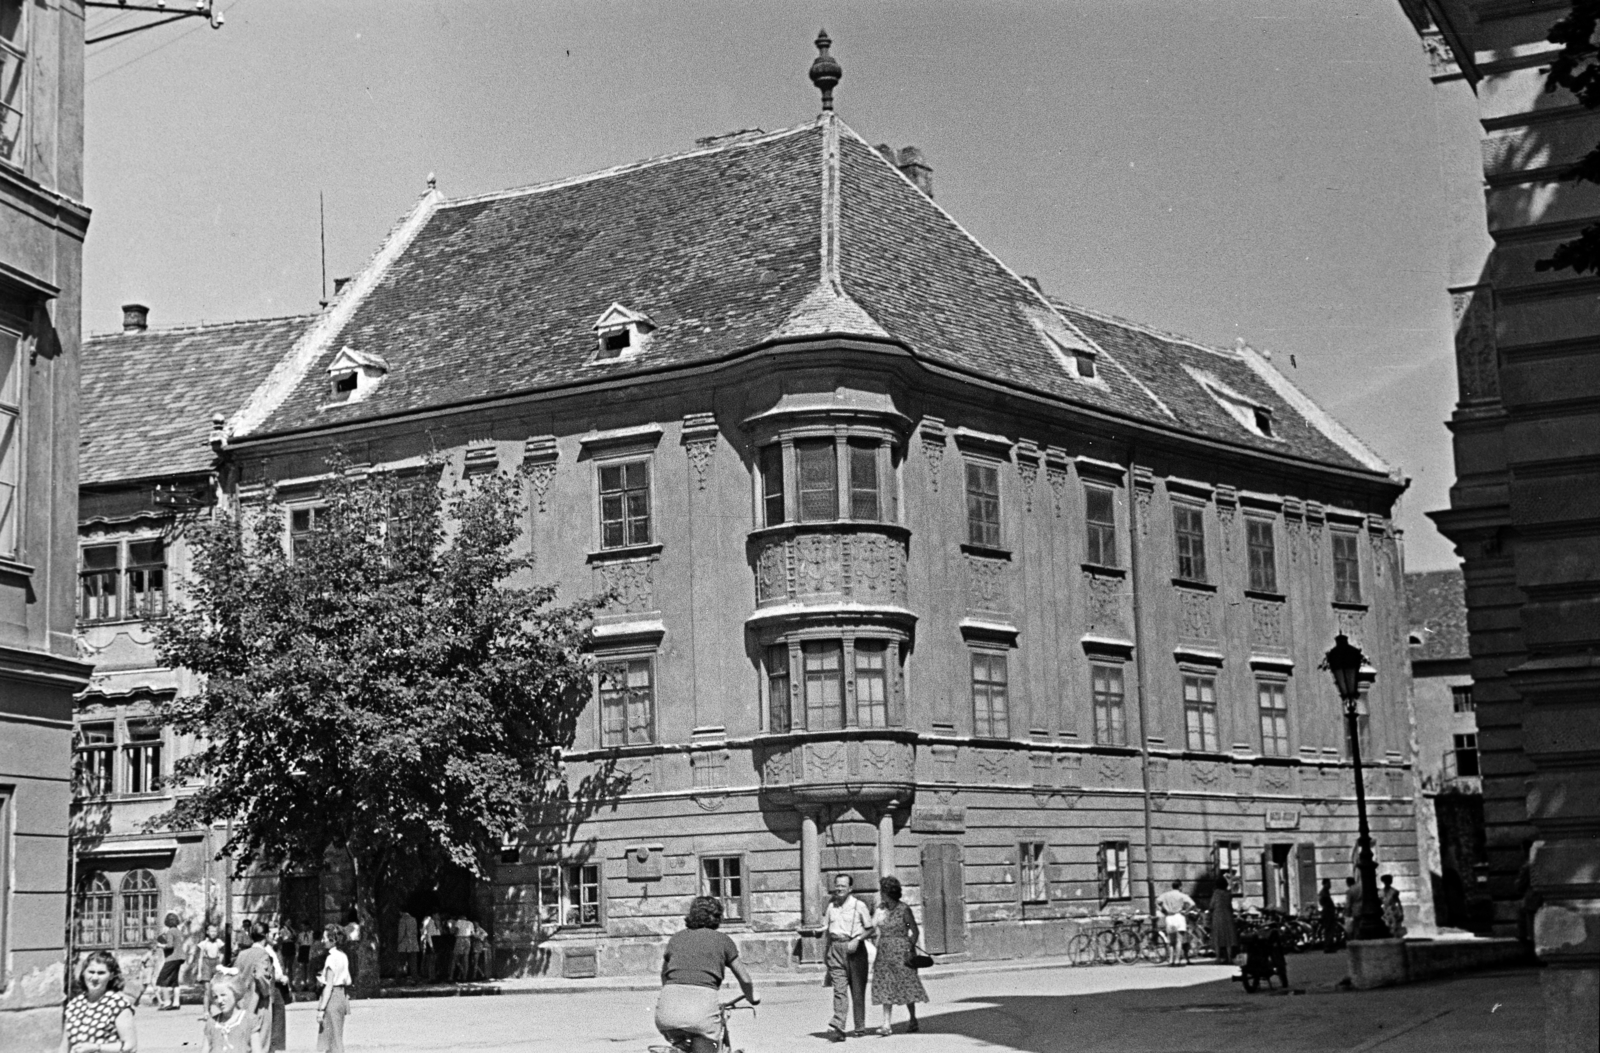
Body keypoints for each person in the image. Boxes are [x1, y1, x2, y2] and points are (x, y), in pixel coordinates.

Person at [654, 896, 758, 1053]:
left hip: (666, 1011)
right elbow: (745, 980)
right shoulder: (723, 940)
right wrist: (752, 997)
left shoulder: (676, 938)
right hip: (701, 1011)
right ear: (717, 917)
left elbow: (665, 975)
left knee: (681, 1040)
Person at [869, 876, 927, 1036]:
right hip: (884, 952)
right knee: (885, 985)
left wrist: (909, 949)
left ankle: (913, 1018)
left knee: (906, 985)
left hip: (902, 952)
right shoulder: (881, 909)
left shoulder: (904, 910)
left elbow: (913, 930)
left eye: (882, 891)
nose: (881, 894)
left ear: (889, 893)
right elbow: (873, 927)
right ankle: (886, 1024)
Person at [822, 873, 873, 1041]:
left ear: (850, 888)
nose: (839, 888)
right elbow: (827, 930)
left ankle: (859, 1026)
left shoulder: (859, 906)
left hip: (855, 949)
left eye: (843, 886)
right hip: (836, 948)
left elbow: (871, 929)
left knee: (857, 990)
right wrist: (826, 952)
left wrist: (858, 939)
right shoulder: (831, 907)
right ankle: (839, 1027)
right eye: (837, 885)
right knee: (839, 990)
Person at [62, 949, 139, 1053]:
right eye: (91, 972)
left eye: (101, 973)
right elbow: (65, 1046)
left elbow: (130, 1046)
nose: (95, 977)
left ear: (111, 976)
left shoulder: (118, 1005)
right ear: (83, 973)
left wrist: (96, 1048)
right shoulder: (74, 1005)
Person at [316, 923, 352, 1053]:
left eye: (325, 938)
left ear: (333, 940)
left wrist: (321, 1009)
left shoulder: (331, 958)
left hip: (332, 998)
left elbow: (329, 985)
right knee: (337, 1036)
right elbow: (347, 979)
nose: (322, 941)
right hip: (341, 996)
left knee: (329, 1040)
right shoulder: (343, 956)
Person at [201, 976, 262, 1053]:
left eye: (223, 995)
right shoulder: (212, 1023)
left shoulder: (249, 1020)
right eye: (215, 997)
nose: (219, 1000)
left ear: (235, 993)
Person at [262, 922, 290, 1051]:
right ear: (266, 935)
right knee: (272, 1022)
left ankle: (273, 1049)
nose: (276, 936)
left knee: (278, 1021)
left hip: (278, 988)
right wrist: (280, 978)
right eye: (273, 934)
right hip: (272, 988)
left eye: (278, 933)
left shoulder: (275, 949)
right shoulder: (265, 950)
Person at [1155, 880, 1196, 966]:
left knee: (1171, 941)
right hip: (1179, 916)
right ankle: (1177, 960)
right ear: (1180, 887)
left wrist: (1162, 910)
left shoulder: (1165, 895)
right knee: (1179, 940)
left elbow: (1157, 901)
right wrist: (1186, 911)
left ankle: (1170, 960)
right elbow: (1192, 904)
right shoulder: (1182, 895)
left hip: (1169, 917)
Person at [155, 911, 185, 1011]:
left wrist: (159, 945)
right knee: (174, 981)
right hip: (180, 958)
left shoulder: (170, 931)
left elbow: (170, 945)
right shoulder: (178, 931)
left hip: (172, 958)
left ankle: (167, 1002)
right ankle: (176, 1003)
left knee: (162, 980)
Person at [194, 922, 226, 1016]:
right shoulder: (203, 944)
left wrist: (220, 963)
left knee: (217, 988)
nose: (213, 933)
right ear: (207, 932)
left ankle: (221, 1009)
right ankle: (206, 1011)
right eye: (211, 931)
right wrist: (199, 972)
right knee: (207, 989)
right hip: (206, 964)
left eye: (215, 931)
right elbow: (200, 958)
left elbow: (222, 953)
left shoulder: (219, 942)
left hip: (216, 963)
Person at [1210, 869, 1238, 963]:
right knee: (1228, 938)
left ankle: (1218, 958)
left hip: (1217, 916)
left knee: (1217, 937)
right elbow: (1230, 906)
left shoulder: (1216, 893)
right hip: (1228, 916)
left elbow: (1211, 905)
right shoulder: (1228, 894)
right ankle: (1230, 958)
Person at [395, 911, 419, 983]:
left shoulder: (402, 920)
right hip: (413, 945)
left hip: (404, 945)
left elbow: (401, 933)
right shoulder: (414, 920)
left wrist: (398, 942)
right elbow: (416, 932)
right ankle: (415, 978)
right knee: (413, 963)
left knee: (401, 963)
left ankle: (398, 979)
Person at [1318, 878, 1340, 952]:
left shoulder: (1325, 892)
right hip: (1328, 913)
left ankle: (1329, 945)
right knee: (1329, 929)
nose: (1330, 885)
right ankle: (1328, 946)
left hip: (1328, 912)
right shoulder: (1324, 892)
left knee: (1329, 929)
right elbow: (1324, 902)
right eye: (1329, 883)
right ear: (1325, 883)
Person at [450, 916, 474, 982]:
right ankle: (465, 977)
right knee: (465, 959)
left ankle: (451, 977)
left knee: (455, 958)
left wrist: (453, 933)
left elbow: (456, 930)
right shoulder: (470, 923)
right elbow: (472, 933)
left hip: (460, 939)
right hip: (468, 940)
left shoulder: (459, 921)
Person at [419, 912, 440, 983]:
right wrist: (431, 946)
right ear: (434, 914)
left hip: (436, 941)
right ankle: (430, 977)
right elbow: (429, 935)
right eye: (437, 914)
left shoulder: (435, 922)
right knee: (431, 961)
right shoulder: (430, 922)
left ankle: (433, 976)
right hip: (431, 942)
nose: (438, 916)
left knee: (434, 960)